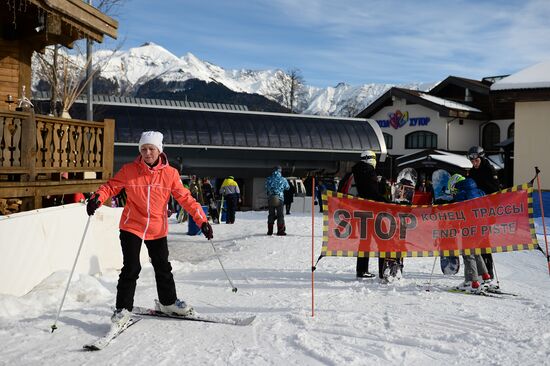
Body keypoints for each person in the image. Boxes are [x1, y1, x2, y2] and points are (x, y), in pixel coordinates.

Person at [86, 131, 214, 327]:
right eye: (144, 149)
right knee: (131, 267)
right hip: (132, 225)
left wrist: (202, 221)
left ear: (159, 150)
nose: (147, 153)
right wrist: (97, 198)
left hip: (157, 227)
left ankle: (168, 302)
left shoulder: (170, 174)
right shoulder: (130, 170)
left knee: (163, 267)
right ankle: (122, 309)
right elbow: (111, 187)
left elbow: (186, 198)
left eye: (151, 149)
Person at [447, 173, 497, 293]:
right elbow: (490, 208)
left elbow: (459, 214)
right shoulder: (480, 191)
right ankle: (484, 276)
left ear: (454, 186)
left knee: (468, 253)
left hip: (470, 228)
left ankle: (471, 282)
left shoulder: (461, 194)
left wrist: (452, 227)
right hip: (484, 227)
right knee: (475, 251)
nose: (453, 194)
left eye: (452, 190)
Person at [352, 150, 388, 279]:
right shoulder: (369, 172)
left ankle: (361, 270)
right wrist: (387, 202)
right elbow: (373, 194)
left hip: (361, 211)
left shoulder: (355, 172)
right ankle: (384, 271)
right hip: (374, 211)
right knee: (383, 240)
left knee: (365, 241)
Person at [467, 146, 500, 279]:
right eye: (472, 161)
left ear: (482, 158)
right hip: (475, 212)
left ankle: (489, 271)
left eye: (476, 161)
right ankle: (481, 270)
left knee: (484, 240)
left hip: (487, 211)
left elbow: (495, 191)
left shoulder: (489, 169)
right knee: (476, 241)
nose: (474, 163)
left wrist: (482, 195)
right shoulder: (473, 172)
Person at [265, 166, 290, 235]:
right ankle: (280, 231)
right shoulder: (283, 179)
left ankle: (270, 231)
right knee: (280, 215)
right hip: (280, 198)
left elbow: (266, 187)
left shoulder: (269, 179)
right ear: (280, 171)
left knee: (271, 214)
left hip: (271, 198)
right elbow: (287, 187)